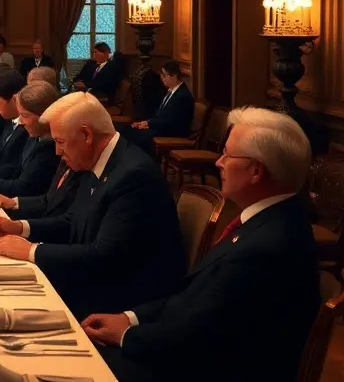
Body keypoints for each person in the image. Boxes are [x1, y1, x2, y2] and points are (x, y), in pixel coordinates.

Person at [82, 108, 319, 382]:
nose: (219, 162)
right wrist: (129, 318)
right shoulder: (270, 220)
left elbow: (196, 338)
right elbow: (192, 299)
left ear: (256, 171)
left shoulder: (267, 246)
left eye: (228, 155)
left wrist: (124, 336)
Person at [0, 92, 185, 319]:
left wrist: (32, 250)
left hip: (117, 301)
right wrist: (19, 227)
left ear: (86, 135)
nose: (57, 152)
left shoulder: (133, 175)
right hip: (93, 280)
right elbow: (72, 220)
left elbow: (104, 256)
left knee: (5, 304)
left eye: (60, 142)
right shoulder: (100, 160)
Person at [0, 81, 61, 200]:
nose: (20, 121)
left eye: (25, 115)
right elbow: (15, 169)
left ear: (45, 116)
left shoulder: (51, 146)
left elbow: (25, 187)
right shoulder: (34, 135)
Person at [120, 60, 194, 154]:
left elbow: (171, 121)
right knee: (127, 130)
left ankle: (145, 164)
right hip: (162, 128)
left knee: (137, 136)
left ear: (173, 76)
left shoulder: (182, 96)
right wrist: (145, 123)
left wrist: (148, 124)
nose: (161, 78)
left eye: (164, 75)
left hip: (172, 132)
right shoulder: (170, 91)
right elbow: (160, 115)